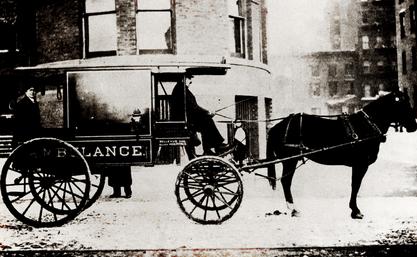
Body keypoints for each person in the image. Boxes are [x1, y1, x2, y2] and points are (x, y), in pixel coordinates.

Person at [171, 74, 229, 155]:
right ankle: (214, 147)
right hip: (183, 123)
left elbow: (193, 107)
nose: (190, 81)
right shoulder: (181, 90)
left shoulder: (181, 89)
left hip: (184, 120)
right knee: (207, 121)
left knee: (206, 121)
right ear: (183, 79)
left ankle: (211, 148)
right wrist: (207, 112)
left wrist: (207, 113)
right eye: (189, 78)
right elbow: (194, 108)